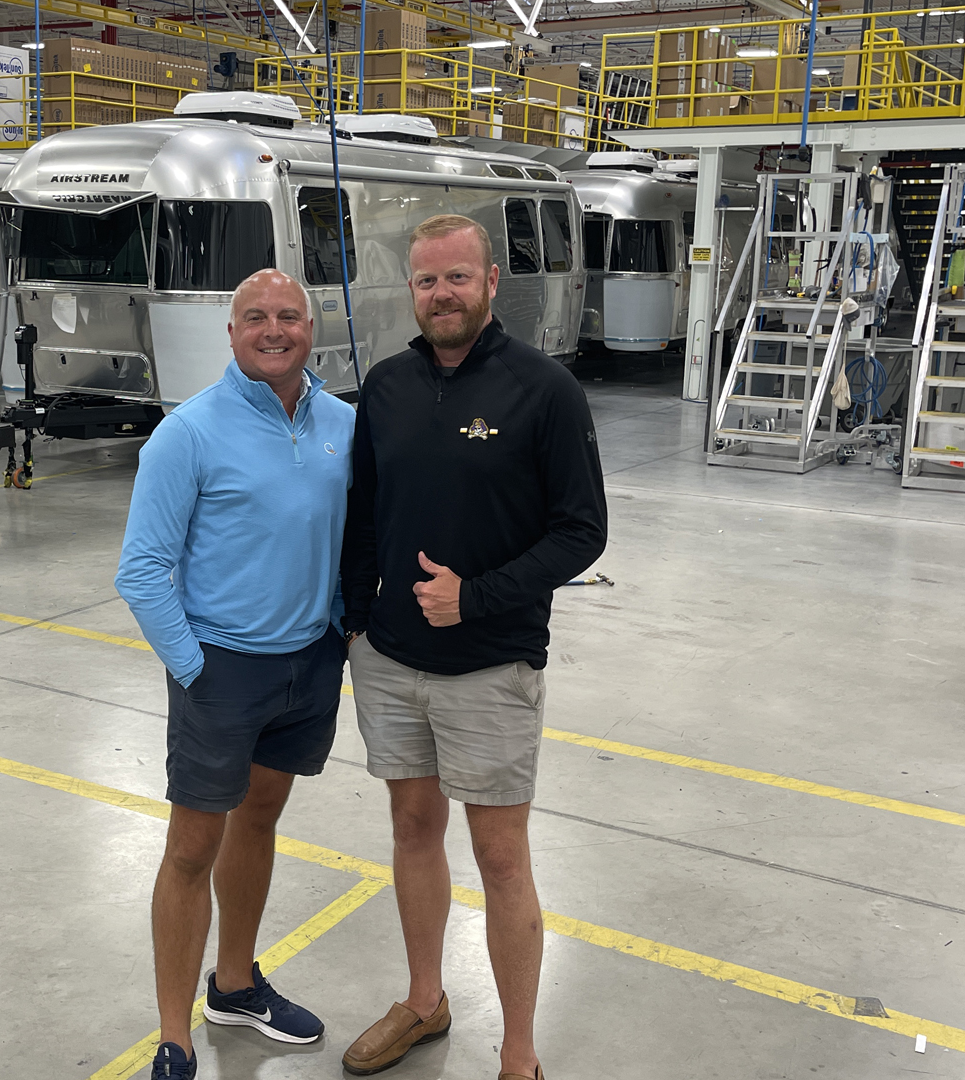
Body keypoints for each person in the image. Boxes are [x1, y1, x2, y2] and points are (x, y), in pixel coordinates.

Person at [339, 214, 607, 1080]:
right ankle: (424, 1001)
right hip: (389, 659)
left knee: (500, 855)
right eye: (426, 281)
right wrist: (354, 620)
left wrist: (477, 598)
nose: (441, 294)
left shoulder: (545, 390)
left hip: (491, 665)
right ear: (408, 290)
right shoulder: (383, 387)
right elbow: (362, 515)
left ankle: (519, 1054)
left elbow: (582, 532)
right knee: (413, 827)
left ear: (492, 281)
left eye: (457, 278)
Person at [114, 267, 355, 1080]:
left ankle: (237, 984)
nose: (274, 329)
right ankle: (175, 1038)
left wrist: (345, 629)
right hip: (221, 669)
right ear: (231, 332)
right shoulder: (188, 432)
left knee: (259, 821)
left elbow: (358, 535)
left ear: (310, 329)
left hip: (309, 666)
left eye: (289, 316)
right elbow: (142, 571)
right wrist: (195, 669)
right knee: (191, 847)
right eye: (256, 317)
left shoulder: (344, 426)